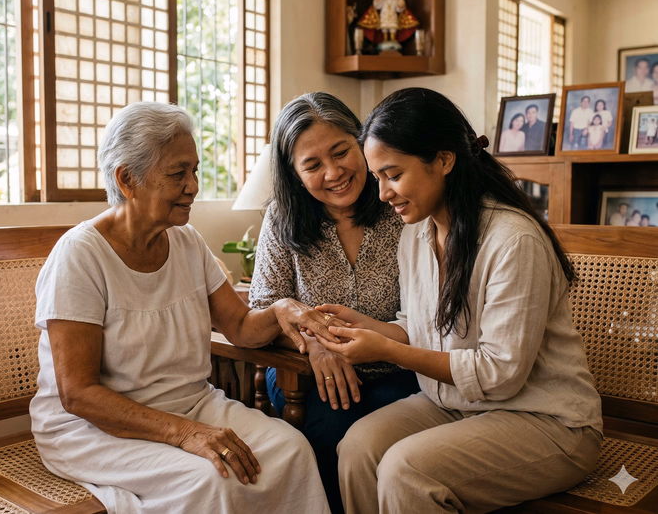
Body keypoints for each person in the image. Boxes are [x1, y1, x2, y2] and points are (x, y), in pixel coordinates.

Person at [30, 102, 335, 514]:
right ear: (127, 179)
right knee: (215, 478)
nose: (193, 186)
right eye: (178, 173)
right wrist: (185, 433)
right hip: (93, 429)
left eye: (194, 170)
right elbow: (79, 395)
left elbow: (241, 326)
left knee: (291, 449)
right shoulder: (80, 256)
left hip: (190, 404)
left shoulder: (186, 241)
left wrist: (281, 310)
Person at [313, 88, 603, 513]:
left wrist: (389, 350)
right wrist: (366, 327)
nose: (382, 193)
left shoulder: (513, 239)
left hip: (547, 420)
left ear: (444, 160)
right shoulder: (416, 233)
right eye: (377, 177)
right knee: (357, 447)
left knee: (405, 469)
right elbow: (423, 327)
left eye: (393, 174)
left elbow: (501, 372)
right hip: (456, 404)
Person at [249, 92, 420, 514]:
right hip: (306, 370)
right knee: (330, 432)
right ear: (294, 174)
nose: (334, 172)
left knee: (393, 443)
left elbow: (432, 313)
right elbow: (262, 309)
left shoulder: (401, 207)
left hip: (398, 365)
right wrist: (315, 343)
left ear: (362, 142)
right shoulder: (281, 218)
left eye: (342, 152)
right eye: (312, 165)